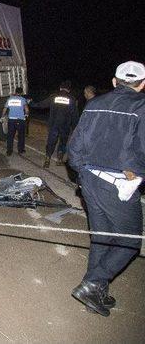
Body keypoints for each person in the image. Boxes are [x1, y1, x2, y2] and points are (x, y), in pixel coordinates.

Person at [67, 60, 145, 316]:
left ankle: (95, 293)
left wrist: (83, 174)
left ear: (114, 81)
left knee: (101, 238)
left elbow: (74, 147)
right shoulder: (142, 107)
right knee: (131, 242)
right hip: (118, 186)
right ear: (142, 84)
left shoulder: (94, 104)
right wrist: (136, 176)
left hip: (90, 181)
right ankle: (93, 283)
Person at [31, 80, 78, 167]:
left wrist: (31, 103)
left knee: (51, 142)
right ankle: (59, 160)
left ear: (60, 88)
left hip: (53, 125)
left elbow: (41, 105)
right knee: (63, 142)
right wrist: (76, 127)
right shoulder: (72, 99)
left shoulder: (53, 97)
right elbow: (74, 115)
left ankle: (47, 160)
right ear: (69, 90)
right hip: (65, 126)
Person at [1, 87, 29, 155]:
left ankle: (9, 151)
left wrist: (2, 116)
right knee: (21, 136)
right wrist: (26, 115)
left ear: (15, 92)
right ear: (21, 92)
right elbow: (26, 109)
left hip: (11, 120)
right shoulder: (23, 99)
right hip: (20, 120)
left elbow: (5, 109)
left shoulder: (10, 99)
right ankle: (20, 150)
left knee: (10, 136)